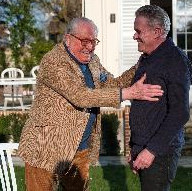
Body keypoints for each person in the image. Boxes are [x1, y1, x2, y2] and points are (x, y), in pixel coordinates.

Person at [18, 17, 163, 191]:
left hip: (80, 149)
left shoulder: (93, 61)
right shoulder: (53, 61)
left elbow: (112, 84)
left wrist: (140, 64)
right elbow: (80, 96)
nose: (90, 47)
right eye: (85, 41)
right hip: (45, 147)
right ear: (68, 38)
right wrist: (130, 93)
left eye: (94, 41)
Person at [128, 5, 192, 191]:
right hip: (144, 147)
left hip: (160, 152)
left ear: (157, 32)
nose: (134, 36)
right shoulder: (148, 58)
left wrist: (151, 150)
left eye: (138, 31)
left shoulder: (175, 60)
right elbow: (144, 107)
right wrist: (135, 146)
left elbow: (180, 113)